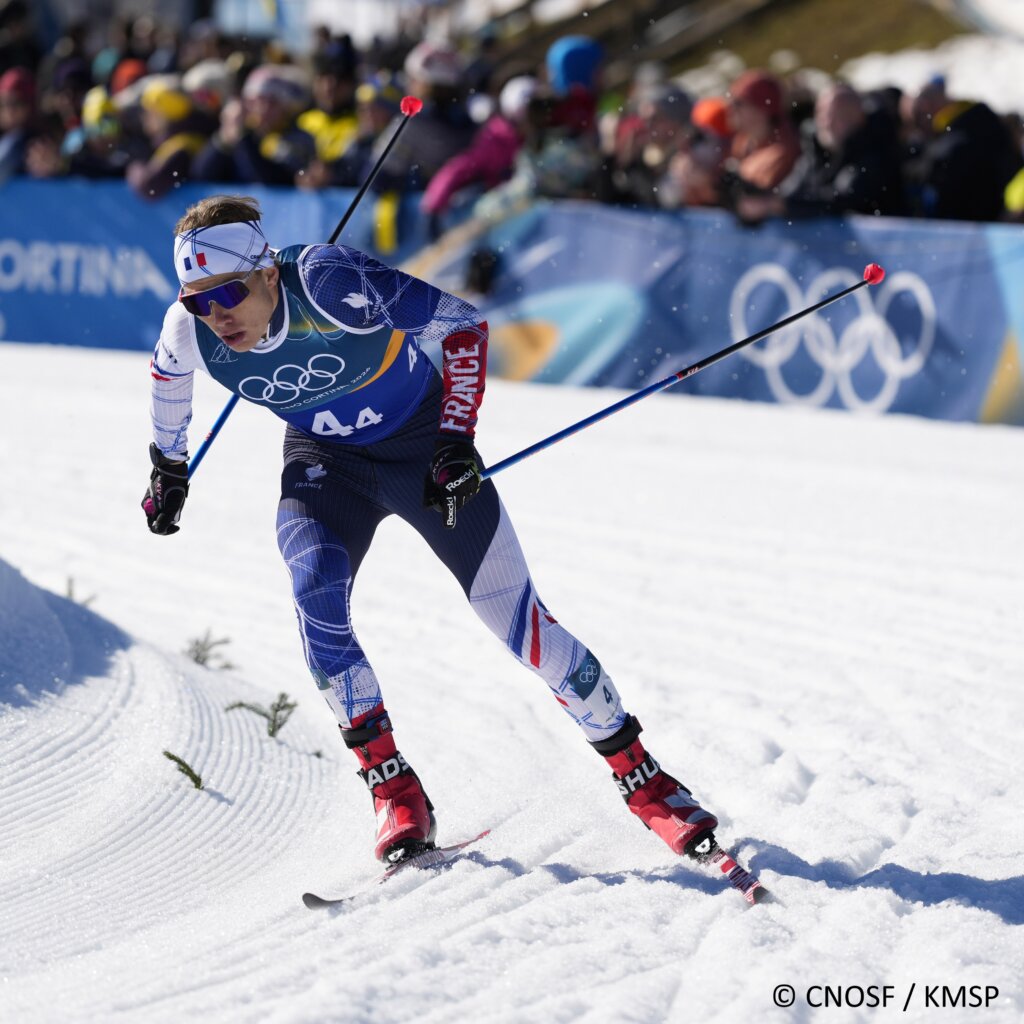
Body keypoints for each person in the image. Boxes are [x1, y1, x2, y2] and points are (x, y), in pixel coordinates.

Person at [141, 194, 719, 866]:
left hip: (421, 449)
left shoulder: (328, 281)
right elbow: (167, 377)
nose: (216, 315)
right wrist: (168, 467)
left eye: (228, 293)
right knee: (315, 599)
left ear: (269, 273)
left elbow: (463, 327)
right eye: (198, 302)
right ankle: (393, 791)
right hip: (326, 464)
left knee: (520, 625)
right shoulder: (191, 330)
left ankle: (645, 781)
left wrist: (455, 440)